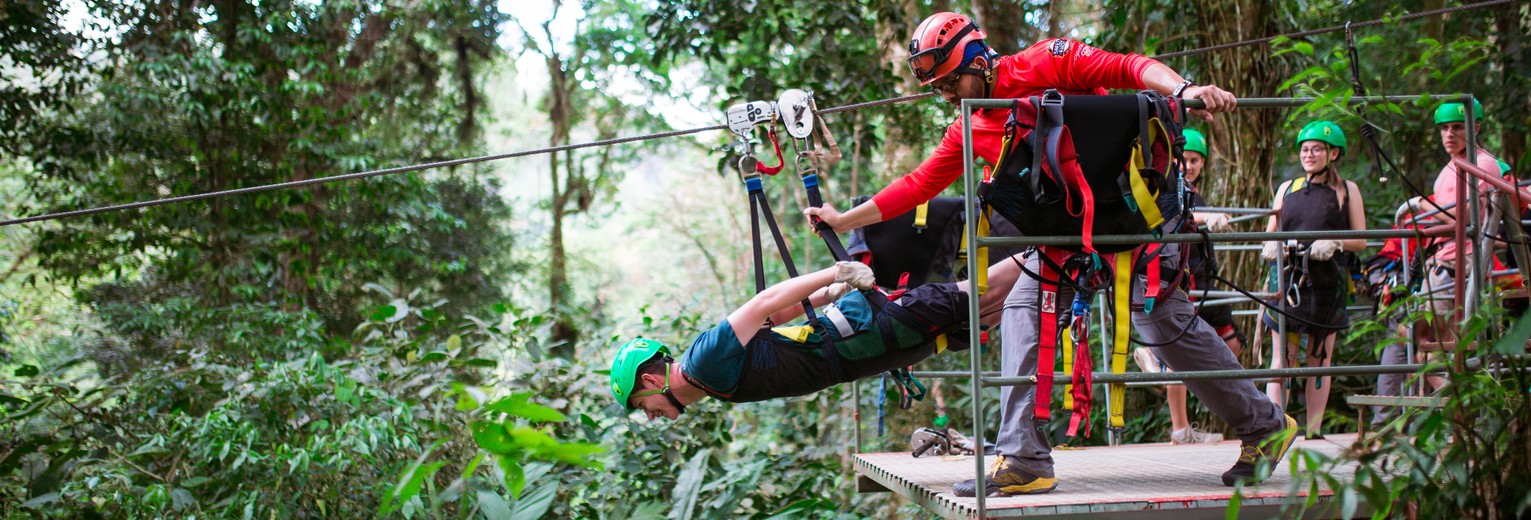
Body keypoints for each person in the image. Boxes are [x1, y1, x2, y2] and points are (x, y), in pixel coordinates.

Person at [804, 12, 1294, 495]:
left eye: (952, 82)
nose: (947, 95)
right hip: (1064, 239)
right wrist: (843, 221)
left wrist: (1181, 89)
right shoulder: (969, 124)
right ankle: (1024, 460)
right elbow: (919, 184)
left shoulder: (1045, 61)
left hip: (1128, 223)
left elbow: (1128, 67)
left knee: (1164, 327)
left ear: (977, 61)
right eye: (938, 88)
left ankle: (1265, 426)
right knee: (1021, 309)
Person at [610, 261, 975, 419]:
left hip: (867, 329)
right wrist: (829, 293)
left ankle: (1031, 261)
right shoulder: (707, 381)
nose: (651, 416)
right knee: (978, 315)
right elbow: (773, 322)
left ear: (650, 381)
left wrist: (835, 275)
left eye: (642, 406)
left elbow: (764, 304)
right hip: (869, 350)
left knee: (982, 296)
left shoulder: (702, 360)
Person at [1258, 121, 1369, 439]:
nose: (1310, 154)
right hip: (1288, 280)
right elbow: (1270, 235)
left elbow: (1360, 240)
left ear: (1333, 153)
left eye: (1317, 149)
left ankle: (1314, 430)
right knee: (1283, 357)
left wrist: (1335, 242)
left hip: (1328, 281)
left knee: (1319, 357)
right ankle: (1275, 428)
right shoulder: (1287, 189)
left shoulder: (1346, 190)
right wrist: (1274, 247)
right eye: (1305, 149)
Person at [1132, 128, 1242, 445]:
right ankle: (1180, 427)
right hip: (1183, 278)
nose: (1189, 166)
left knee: (1232, 342)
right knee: (1179, 350)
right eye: (1185, 160)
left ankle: (1159, 361)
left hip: (1206, 275)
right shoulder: (1167, 187)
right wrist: (1212, 217)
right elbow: (1184, 214)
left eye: (1195, 160)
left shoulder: (1193, 190)